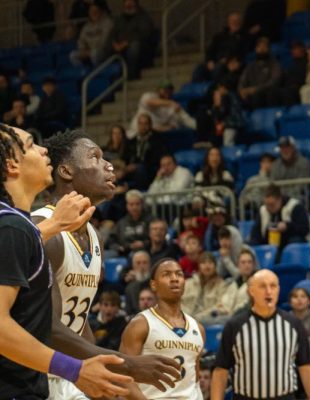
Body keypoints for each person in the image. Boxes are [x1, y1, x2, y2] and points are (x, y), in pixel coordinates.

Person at [0, 124, 178, 400]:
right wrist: (126, 364)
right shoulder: (31, 229)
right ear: (67, 171)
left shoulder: (90, 237)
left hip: (61, 371)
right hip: (40, 370)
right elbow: (44, 322)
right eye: (95, 157)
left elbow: (77, 320)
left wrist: (112, 374)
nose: (108, 165)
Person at [210, 270, 310, 400]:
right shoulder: (234, 326)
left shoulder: (293, 324)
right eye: (262, 286)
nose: (269, 291)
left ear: (278, 290)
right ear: (251, 291)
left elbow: (306, 367)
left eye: (273, 286)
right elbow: (220, 371)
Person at [119, 258, 206, 399]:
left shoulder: (198, 328)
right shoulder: (140, 324)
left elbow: (194, 379)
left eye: (179, 274)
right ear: (154, 284)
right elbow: (123, 376)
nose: (174, 279)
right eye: (166, 274)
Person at [248, 185, 310, 253]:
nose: (269, 208)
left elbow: (304, 229)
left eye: (272, 204)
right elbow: (255, 234)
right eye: (267, 205)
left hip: (290, 244)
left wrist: (287, 226)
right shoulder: (263, 210)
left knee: (295, 241)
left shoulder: (294, 207)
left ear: (279, 199)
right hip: (271, 245)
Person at [110, 0, 157, 79]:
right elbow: (113, 33)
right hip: (120, 46)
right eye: (126, 5)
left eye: (130, 5)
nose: (128, 7)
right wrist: (114, 43)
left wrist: (126, 43)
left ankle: (132, 75)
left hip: (139, 46)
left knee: (134, 48)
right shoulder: (119, 19)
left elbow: (144, 34)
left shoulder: (143, 17)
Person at [181, 252, 236, 322]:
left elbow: (222, 307)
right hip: (185, 320)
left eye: (210, 263)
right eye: (203, 263)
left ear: (215, 266)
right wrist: (187, 316)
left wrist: (200, 317)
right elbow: (177, 303)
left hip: (208, 322)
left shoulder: (221, 285)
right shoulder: (188, 284)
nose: (207, 266)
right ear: (199, 266)